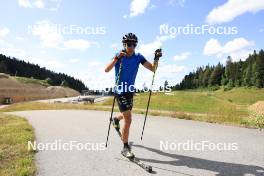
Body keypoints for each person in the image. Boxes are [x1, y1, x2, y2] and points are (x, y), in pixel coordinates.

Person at [105, 33, 161, 158]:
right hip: (120, 91)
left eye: (134, 44)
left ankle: (115, 119)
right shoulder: (119, 55)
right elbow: (106, 69)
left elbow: (153, 69)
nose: (131, 46)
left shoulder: (138, 57)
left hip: (130, 91)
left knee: (127, 113)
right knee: (129, 119)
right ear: (124, 44)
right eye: (128, 44)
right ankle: (125, 148)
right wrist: (116, 59)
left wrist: (156, 59)